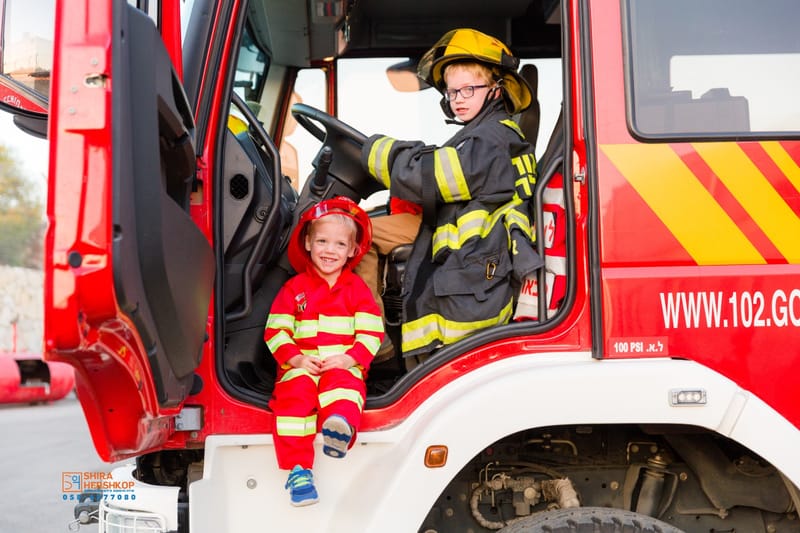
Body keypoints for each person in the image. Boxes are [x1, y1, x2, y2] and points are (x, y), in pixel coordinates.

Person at [358, 28, 543, 363]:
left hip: (462, 240)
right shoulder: (486, 134)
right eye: (451, 91)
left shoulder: (489, 139)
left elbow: (429, 176)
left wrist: (371, 150)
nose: (457, 98)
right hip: (450, 225)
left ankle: (372, 337)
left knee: (357, 235)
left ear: (496, 91)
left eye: (468, 89)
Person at [263, 197, 384, 506]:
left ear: (353, 251)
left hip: (341, 364)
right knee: (294, 400)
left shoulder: (357, 290)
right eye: (322, 241)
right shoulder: (294, 288)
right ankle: (299, 471)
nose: (330, 250)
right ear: (308, 242)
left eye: (339, 244)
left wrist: (350, 358)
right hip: (301, 366)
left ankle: (339, 427)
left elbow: (372, 333)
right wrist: (297, 359)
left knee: (344, 387)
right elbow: (275, 331)